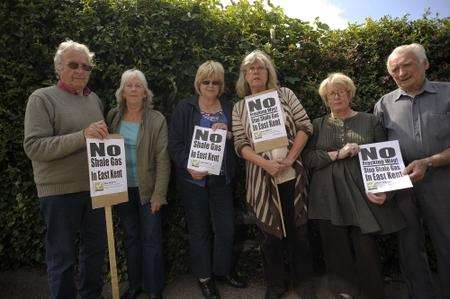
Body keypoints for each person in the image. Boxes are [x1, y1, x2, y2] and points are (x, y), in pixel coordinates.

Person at [302, 73, 405, 299]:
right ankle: (343, 294)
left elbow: (386, 159)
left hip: (362, 196)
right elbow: (308, 159)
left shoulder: (370, 121)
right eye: (331, 94)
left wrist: (387, 190)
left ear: (350, 94)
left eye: (341, 92)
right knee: (335, 250)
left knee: (366, 249)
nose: (336, 97)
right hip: (326, 196)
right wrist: (337, 154)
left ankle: (373, 294)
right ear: (325, 99)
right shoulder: (317, 125)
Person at [23, 40, 107, 299]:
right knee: (62, 257)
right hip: (59, 193)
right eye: (73, 65)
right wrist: (82, 136)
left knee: (94, 253)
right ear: (59, 67)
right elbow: (34, 147)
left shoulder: (94, 99)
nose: (81, 71)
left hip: (95, 188)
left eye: (86, 66)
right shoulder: (42, 98)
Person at [232, 50, 315, 299]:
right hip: (262, 179)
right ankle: (275, 285)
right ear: (245, 76)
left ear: (269, 73)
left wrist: (289, 159)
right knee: (269, 236)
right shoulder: (239, 107)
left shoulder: (285, 95)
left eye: (260, 68)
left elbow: (304, 126)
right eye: (250, 69)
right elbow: (240, 144)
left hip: (292, 174)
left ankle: (304, 283)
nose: (255, 72)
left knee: (299, 231)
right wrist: (265, 164)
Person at [374, 43, 450, 299]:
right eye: (394, 69)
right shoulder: (384, 104)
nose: (401, 72)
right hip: (402, 188)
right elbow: (380, 152)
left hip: (443, 183)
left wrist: (429, 161)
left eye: (406, 65)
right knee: (409, 248)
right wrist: (381, 187)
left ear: (425, 63)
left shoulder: (448, 94)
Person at [168, 60, 246, 299]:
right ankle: (204, 277)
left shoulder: (230, 108)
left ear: (221, 85)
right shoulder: (185, 107)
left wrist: (230, 134)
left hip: (221, 179)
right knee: (199, 230)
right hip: (194, 181)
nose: (211, 85)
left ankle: (221, 271)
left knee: (225, 229)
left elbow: (243, 138)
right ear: (198, 84)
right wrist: (189, 166)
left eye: (216, 82)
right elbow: (175, 144)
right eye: (206, 81)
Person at [107, 69, 170, 299]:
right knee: (131, 238)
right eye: (129, 85)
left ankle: (154, 289)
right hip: (122, 190)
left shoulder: (156, 119)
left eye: (138, 86)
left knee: (151, 240)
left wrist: (158, 194)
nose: (133, 89)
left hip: (148, 191)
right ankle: (135, 286)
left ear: (145, 92)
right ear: (122, 92)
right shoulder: (113, 117)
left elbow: (163, 160)